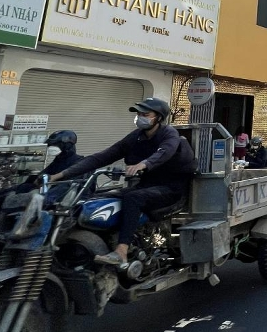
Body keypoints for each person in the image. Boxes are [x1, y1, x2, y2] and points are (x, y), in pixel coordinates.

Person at [50, 97, 196, 266]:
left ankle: (121, 251)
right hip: (146, 186)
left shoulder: (168, 133)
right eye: (139, 114)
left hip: (171, 189)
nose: (140, 117)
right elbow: (102, 157)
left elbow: (165, 152)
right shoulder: (136, 137)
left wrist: (144, 164)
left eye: (146, 114)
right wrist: (61, 174)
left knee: (133, 198)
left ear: (159, 118)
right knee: (99, 197)